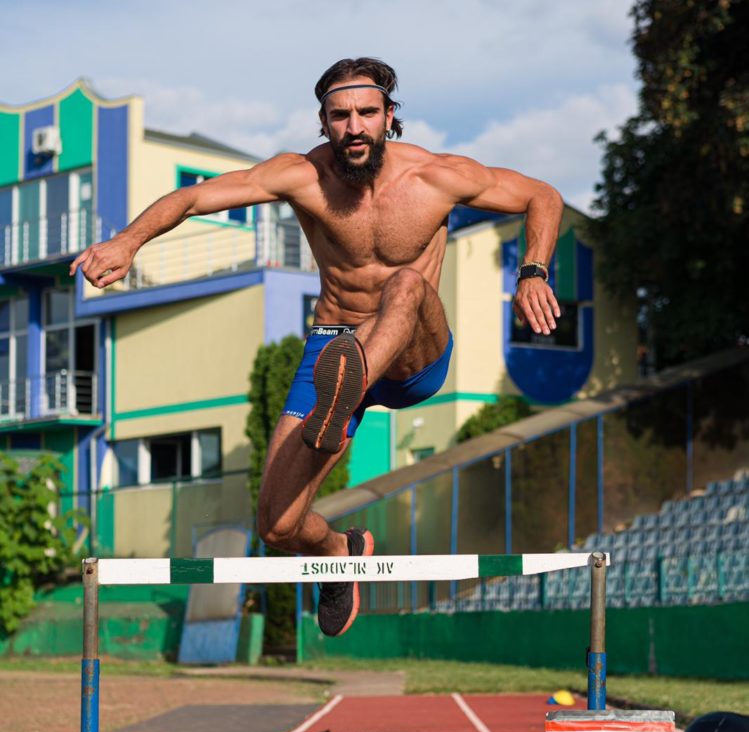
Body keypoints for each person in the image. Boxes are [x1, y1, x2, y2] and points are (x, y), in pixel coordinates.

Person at [72, 57, 563, 637]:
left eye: (366, 113)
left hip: (412, 351)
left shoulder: (438, 176)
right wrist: (128, 243)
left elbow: (543, 196)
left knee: (403, 283)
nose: (354, 127)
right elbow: (195, 198)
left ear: (388, 117)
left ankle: (347, 388)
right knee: (277, 526)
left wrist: (533, 270)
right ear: (323, 122)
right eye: (339, 116)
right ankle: (342, 550)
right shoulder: (300, 175)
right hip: (335, 341)